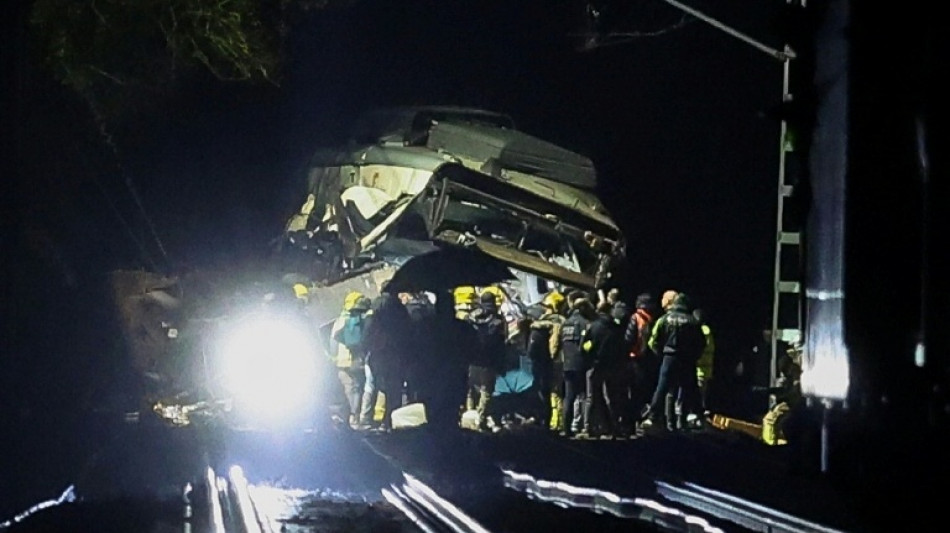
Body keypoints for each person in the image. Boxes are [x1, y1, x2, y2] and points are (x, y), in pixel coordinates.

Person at [642, 293, 705, 431]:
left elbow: (654, 340)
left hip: (669, 357)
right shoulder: (692, 321)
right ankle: (695, 415)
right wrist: (694, 356)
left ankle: (652, 417)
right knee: (691, 388)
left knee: (662, 388)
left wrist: (661, 355)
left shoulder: (664, 319)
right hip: (687, 359)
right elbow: (701, 343)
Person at [360, 287, 411, 431]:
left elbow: (368, 328)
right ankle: (389, 421)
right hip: (396, 353)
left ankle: (369, 419)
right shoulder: (400, 308)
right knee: (394, 388)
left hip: (378, 352)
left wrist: (365, 348)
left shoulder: (375, 306)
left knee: (375, 386)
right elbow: (407, 331)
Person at [580, 300, 626, 438]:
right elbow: (622, 347)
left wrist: (590, 358)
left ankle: (590, 427)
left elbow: (583, 347)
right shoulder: (616, 328)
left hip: (596, 365)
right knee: (611, 397)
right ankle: (615, 427)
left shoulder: (593, 326)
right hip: (613, 366)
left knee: (592, 397)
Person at [466, 291, 507, 430]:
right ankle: (480, 420)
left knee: (470, 390)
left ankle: (468, 418)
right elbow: (501, 344)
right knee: (486, 391)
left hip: (472, 360)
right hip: (489, 361)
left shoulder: (471, 318)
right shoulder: (498, 321)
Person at [330, 293, 372, 428]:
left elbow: (333, 341)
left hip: (341, 362)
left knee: (349, 389)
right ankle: (356, 417)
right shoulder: (359, 319)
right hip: (355, 359)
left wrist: (334, 358)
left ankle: (350, 417)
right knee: (358, 389)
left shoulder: (339, 320)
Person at [527, 291, 566, 430]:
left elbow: (554, 345)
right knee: (554, 392)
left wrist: (551, 356)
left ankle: (555, 421)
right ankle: (554, 420)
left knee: (553, 392)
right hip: (557, 361)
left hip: (551, 362)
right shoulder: (560, 321)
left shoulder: (552, 323)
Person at [559, 296, 595, 437]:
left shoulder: (565, 324)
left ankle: (566, 428)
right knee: (585, 396)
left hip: (567, 364)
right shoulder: (585, 323)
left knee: (569, 397)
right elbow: (586, 346)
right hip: (581, 364)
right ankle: (585, 427)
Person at [692, 308, 715, 419]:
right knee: (703, 392)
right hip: (706, 369)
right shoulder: (708, 331)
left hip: (699, 368)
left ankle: (698, 415)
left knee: (697, 393)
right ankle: (701, 413)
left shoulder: (699, 331)